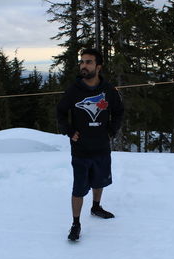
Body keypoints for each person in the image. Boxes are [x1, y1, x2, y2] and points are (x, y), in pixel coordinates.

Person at [57, 48, 124, 241]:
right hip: (81, 150)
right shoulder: (73, 90)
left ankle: (96, 207)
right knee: (78, 188)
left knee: (99, 180)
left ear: (98, 66)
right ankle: (76, 223)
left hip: (102, 147)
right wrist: (69, 131)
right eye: (82, 62)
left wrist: (112, 130)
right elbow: (60, 112)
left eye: (88, 62)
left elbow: (119, 111)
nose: (83, 65)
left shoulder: (109, 90)